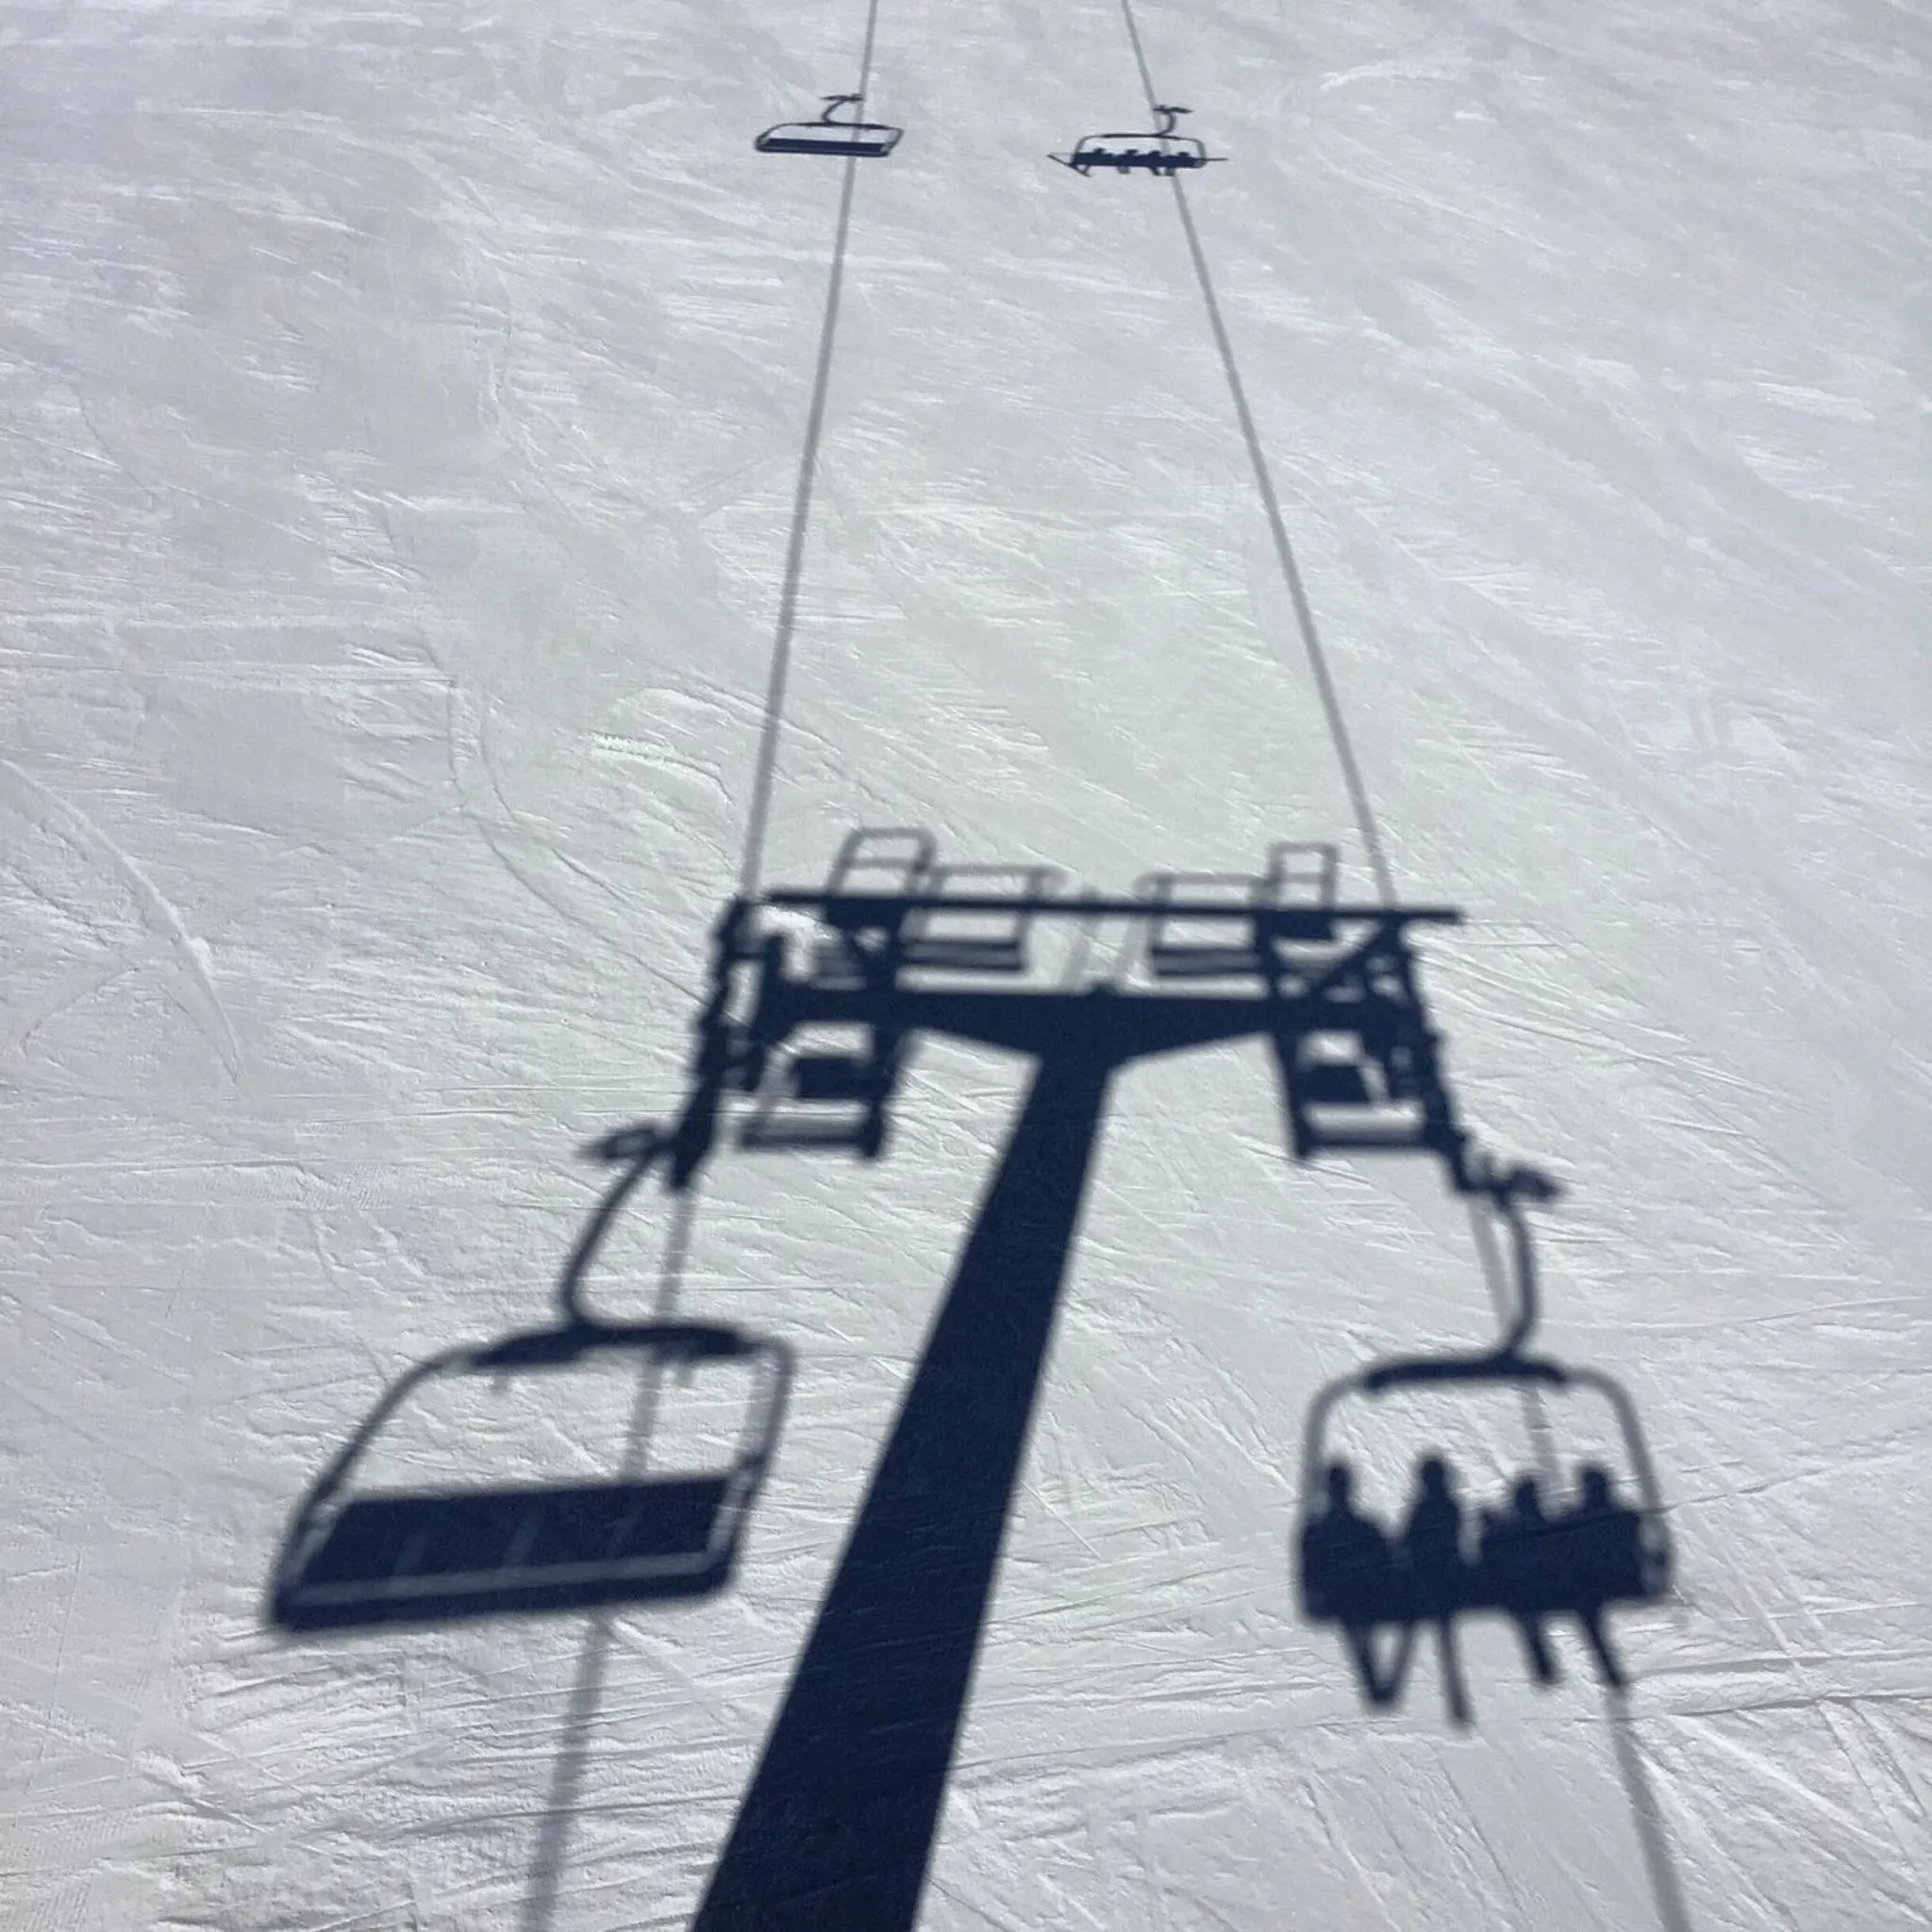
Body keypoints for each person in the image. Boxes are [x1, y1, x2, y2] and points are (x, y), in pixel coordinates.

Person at [1400, 1456, 1473, 1724]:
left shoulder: (1424, 1508)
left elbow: (1408, 1540)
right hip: (1442, 1579)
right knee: (1439, 1632)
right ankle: (1454, 1695)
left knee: (1413, 1628)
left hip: (1426, 1578)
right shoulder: (1450, 1506)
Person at [1482, 1475, 1560, 1686]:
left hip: (1522, 1588)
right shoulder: (1534, 1520)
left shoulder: (1525, 1522)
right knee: (1531, 1625)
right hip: (1528, 1587)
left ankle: (1541, 1661)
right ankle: (1541, 1660)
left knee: (1530, 1624)